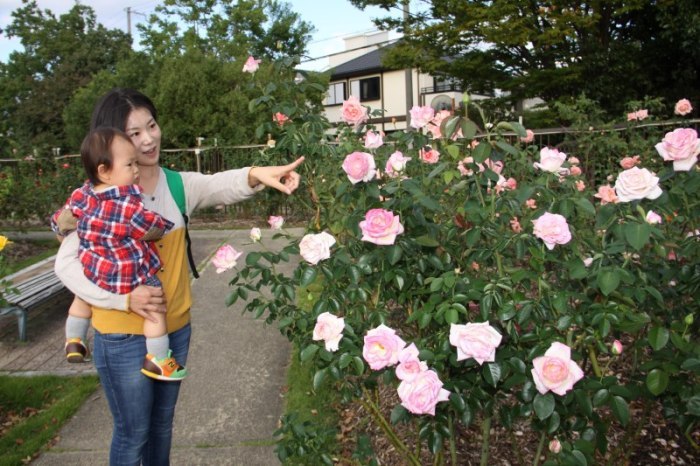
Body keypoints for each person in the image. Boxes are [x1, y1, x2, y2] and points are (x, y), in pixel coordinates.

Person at [54, 87, 303, 465]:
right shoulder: (96, 200)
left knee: (161, 427)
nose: (149, 138)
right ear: (112, 143)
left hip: (174, 329)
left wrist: (256, 174)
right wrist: (122, 299)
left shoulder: (176, 185)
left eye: (151, 125)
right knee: (132, 433)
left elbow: (219, 183)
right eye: (135, 133)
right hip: (120, 333)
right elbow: (66, 267)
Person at [52, 127, 187, 382]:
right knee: (156, 311)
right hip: (130, 274)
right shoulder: (127, 203)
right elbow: (148, 227)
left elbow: (62, 219)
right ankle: (158, 359)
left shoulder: (82, 195)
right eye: (130, 164)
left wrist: (63, 224)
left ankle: (74, 340)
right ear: (105, 170)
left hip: (95, 269)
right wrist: (160, 226)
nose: (136, 170)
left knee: (82, 299)